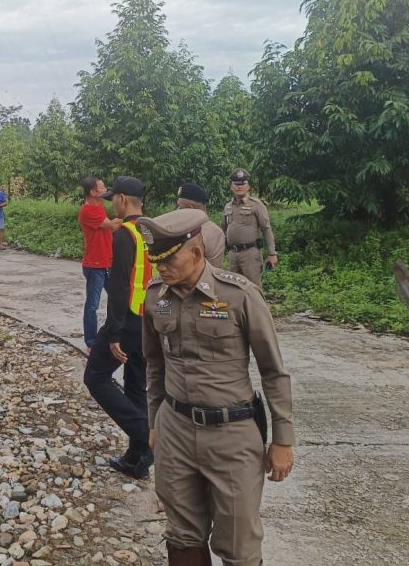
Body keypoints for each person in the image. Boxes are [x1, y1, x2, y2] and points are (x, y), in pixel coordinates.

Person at [138, 208, 294, 566]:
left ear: (196, 253)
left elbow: (273, 371)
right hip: (175, 429)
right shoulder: (156, 296)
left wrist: (283, 439)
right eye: (156, 260)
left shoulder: (239, 296)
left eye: (169, 259)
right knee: (182, 535)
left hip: (232, 434)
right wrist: (154, 421)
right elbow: (154, 364)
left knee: (238, 542)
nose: (161, 268)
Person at [83, 176, 154, 480]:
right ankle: (137, 459)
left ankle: (147, 437)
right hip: (148, 319)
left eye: (113, 198)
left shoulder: (125, 234)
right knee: (136, 385)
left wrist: (113, 332)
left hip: (127, 321)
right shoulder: (150, 230)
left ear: (123, 199)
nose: (112, 202)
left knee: (95, 377)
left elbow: (120, 286)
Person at [79, 175, 121, 349]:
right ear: (93, 192)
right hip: (95, 265)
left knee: (117, 298)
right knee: (92, 305)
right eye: (102, 187)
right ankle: (91, 341)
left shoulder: (99, 206)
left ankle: (114, 333)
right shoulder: (88, 211)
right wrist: (131, 215)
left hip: (106, 263)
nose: (105, 190)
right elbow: (112, 225)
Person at [221, 169, 277, 287]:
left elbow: (266, 229)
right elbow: (223, 230)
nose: (239, 187)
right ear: (231, 187)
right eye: (236, 184)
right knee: (233, 288)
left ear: (248, 187)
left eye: (242, 184)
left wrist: (272, 254)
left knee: (253, 288)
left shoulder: (256, 204)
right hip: (233, 254)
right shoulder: (228, 206)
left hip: (250, 254)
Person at [175, 182, 225, 268]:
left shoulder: (212, 232)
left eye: (179, 207)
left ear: (190, 208)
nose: (177, 211)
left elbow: (213, 268)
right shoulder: (180, 228)